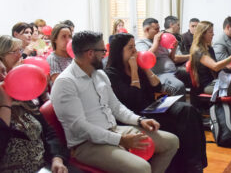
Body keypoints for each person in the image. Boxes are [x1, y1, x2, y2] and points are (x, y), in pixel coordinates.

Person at [51, 31, 179, 173]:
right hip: (86, 145)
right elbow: (80, 128)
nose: (105, 55)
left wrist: (139, 120)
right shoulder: (65, 83)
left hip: (113, 130)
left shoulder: (99, 74)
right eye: (103, 51)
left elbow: (116, 106)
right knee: (142, 168)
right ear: (90, 53)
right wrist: (120, 140)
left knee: (172, 142)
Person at [105, 33, 207, 173]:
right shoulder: (111, 73)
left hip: (152, 106)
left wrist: (145, 68)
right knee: (179, 122)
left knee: (189, 111)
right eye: (130, 48)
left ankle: (196, 163)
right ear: (119, 51)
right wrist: (134, 70)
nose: (135, 51)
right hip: (136, 114)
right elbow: (132, 99)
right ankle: (187, 166)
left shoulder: (139, 67)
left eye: (135, 46)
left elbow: (157, 87)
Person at [0, 36, 72, 173]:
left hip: (44, 166)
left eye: (4, 72)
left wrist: (57, 158)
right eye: (15, 51)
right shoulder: (5, 102)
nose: (4, 78)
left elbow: (49, 132)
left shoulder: (20, 95)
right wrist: (5, 105)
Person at [136, 18, 191, 96]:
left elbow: (172, 58)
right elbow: (145, 59)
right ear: (147, 30)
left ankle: (198, 106)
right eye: (156, 29)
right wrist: (155, 43)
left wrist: (174, 48)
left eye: (159, 28)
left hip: (174, 70)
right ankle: (180, 108)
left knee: (195, 75)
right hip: (160, 74)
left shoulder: (161, 41)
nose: (159, 31)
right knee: (179, 86)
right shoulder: (140, 42)